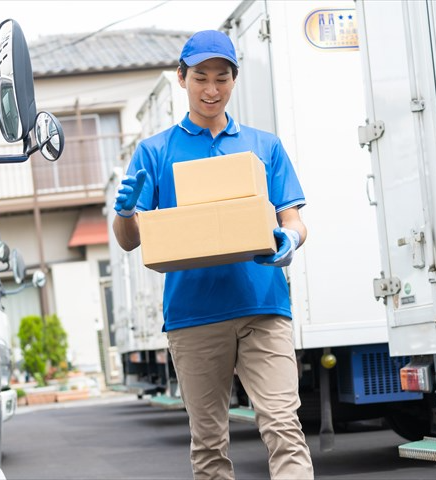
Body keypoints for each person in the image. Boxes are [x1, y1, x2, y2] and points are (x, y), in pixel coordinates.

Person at [112, 30, 313, 480]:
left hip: (264, 306)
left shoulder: (265, 146)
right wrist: (125, 213)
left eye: (222, 78)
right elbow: (130, 240)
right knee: (209, 442)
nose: (211, 89)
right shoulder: (154, 151)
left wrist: (290, 241)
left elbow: (293, 219)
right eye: (200, 77)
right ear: (182, 79)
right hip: (194, 315)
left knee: (283, 426)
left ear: (234, 82)